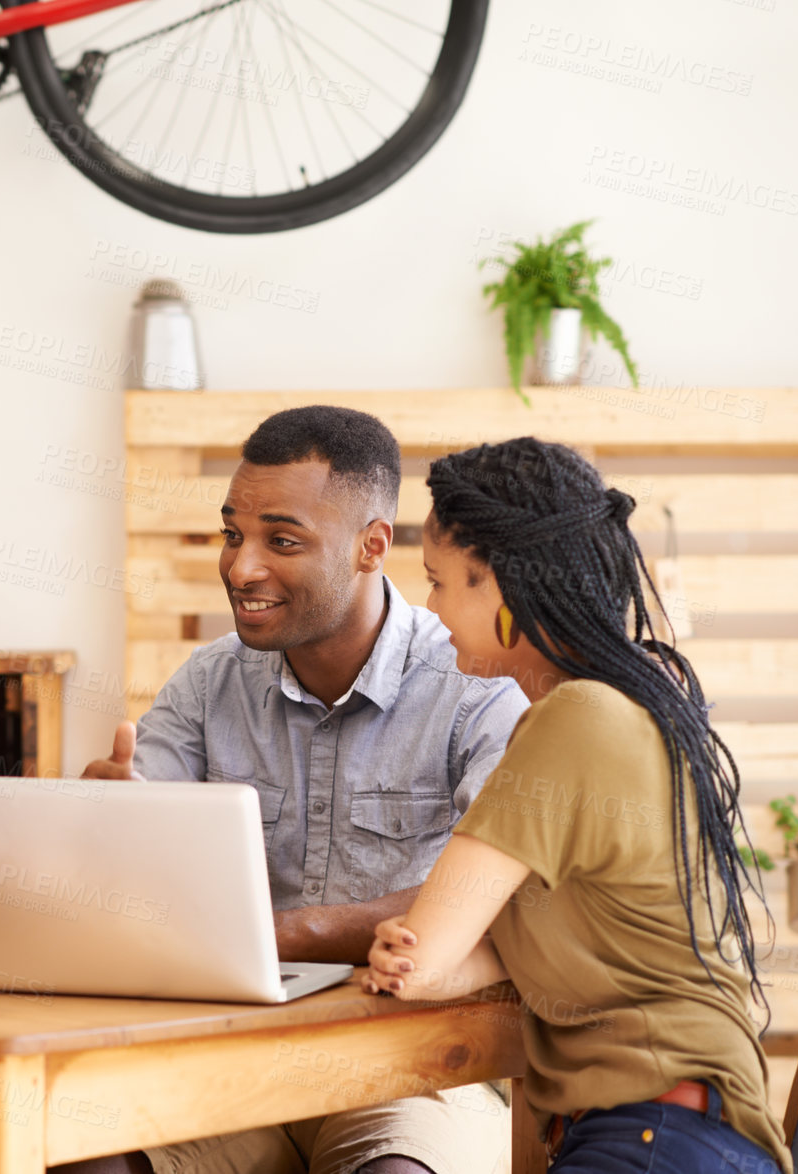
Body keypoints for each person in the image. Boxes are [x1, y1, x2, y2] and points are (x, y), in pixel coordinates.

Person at [81, 406, 529, 1174]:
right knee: (87, 1158)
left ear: (372, 546)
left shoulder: (475, 687)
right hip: (236, 1068)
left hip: (419, 1074)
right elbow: (141, 885)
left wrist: (276, 933)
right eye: (233, 535)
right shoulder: (207, 685)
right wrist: (106, 827)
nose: (241, 568)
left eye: (281, 541)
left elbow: (492, 901)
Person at [364, 438, 787, 1174]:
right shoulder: (613, 707)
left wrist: (419, 952)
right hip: (678, 1136)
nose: (430, 612)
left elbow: (431, 949)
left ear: (497, 582)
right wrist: (419, 960)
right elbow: (491, 951)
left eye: (438, 583)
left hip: (657, 1139)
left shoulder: (579, 719)